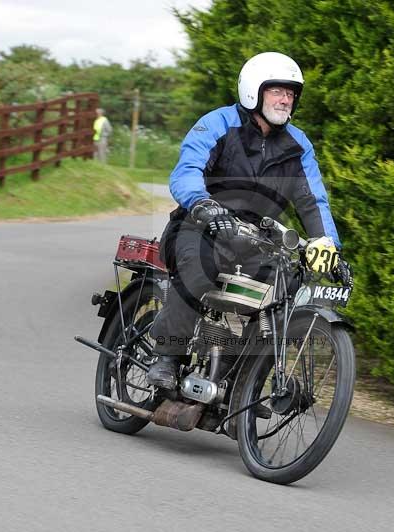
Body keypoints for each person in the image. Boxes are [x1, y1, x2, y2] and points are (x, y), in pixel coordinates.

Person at [146, 51, 351, 389]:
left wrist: (328, 244)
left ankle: (241, 379)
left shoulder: (298, 145)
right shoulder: (218, 123)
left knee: (286, 285)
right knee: (198, 266)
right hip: (199, 226)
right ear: (253, 91)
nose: (285, 99)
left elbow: (313, 199)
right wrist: (204, 206)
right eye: (277, 91)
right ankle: (167, 355)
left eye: (291, 94)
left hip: (255, 243)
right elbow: (186, 172)